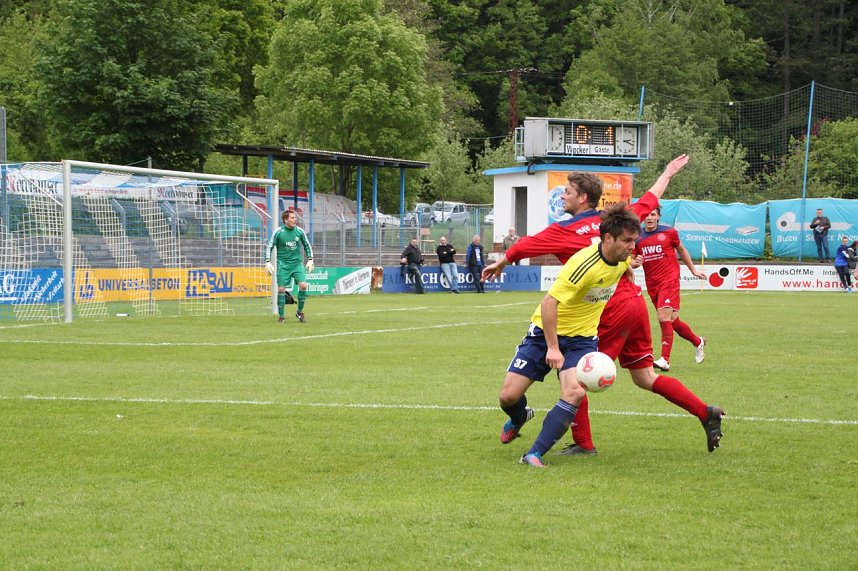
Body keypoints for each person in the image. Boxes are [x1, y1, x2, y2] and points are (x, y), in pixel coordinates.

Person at [484, 155, 724, 460]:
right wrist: (667, 173)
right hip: (635, 304)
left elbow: (524, 246)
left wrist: (501, 262)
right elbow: (649, 201)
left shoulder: (564, 230)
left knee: (577, 377)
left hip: (609, 310)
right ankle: (705, 412)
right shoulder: (613, 221)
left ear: (582, 197)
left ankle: (583, 444)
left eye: (567, 193)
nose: (563, 197)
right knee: (645, 377)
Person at [500, 205, 641, 468]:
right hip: (545, 333)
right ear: (608, 239)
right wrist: (553, 348)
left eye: (634, 240)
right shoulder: (582, 265)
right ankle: (519, 417)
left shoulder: (620, 258)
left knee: (574, 392)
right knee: (508, 397)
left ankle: (534, 453)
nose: (633, 246)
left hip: (581, 340)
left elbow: (622, 264)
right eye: (627, 241)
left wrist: (628, 267)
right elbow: (548, 304)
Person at [637, 207, 707, 371]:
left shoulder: (669, 232)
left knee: (663, 317)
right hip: (652, 284)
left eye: (653, 214)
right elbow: (633, 260)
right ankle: (698, 342)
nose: (649, 218)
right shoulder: (637, 236)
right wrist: (634, 262)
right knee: (672, 321)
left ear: (658, 217)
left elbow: (681, 250)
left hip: (669, 280)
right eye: (646, 215)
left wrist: (694, 271)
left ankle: (665, 360)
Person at [265, 209, 313, 323]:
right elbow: (269, 246)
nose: (295, 219)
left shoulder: (299, 231)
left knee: (303, 285)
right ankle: (281, 317)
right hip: (283, 265)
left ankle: (299, 312)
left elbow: (307, 245)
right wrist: (267, 261)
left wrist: (310, 259)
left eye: (295, 218)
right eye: (292, 218)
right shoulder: (278, 232)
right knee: (281, 289)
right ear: (285, 220)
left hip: (297, 264)